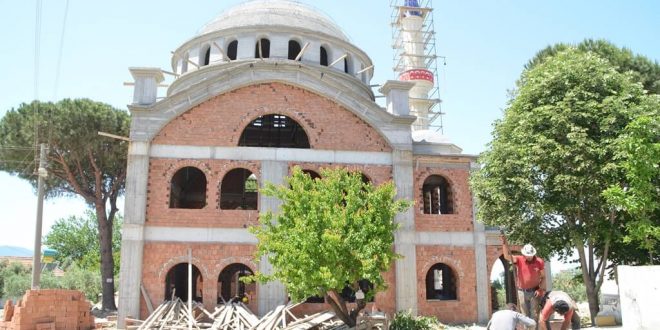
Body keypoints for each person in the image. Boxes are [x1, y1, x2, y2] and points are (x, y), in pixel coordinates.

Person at [501, 235, 546, 323]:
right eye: (527, 255)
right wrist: (504, 243)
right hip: (522, 292)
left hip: (535, 292)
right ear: (524, 254)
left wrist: (541, 289)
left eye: (531, 255)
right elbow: (507, 256)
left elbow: (543, 277)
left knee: (534, 315)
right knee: (524, 316)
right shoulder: (519, 259)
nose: (529, 257)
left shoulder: (539, 261)